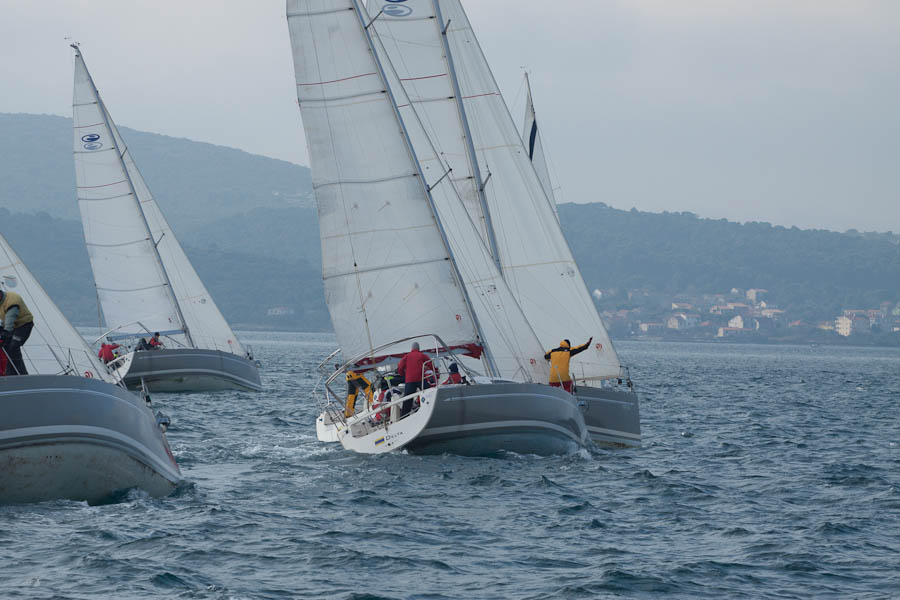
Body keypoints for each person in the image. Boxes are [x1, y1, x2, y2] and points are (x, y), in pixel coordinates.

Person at [0, 288, 35, 376]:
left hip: (24, 326)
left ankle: (22, 374)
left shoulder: (12, 300)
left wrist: (4, 334)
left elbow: (10, 318)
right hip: (12, 326)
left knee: (13, 347)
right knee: (6, 348)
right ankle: (11, 374)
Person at [397, 342, 435, 417]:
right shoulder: (422, 355)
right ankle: (432, 407)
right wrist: (434, 371)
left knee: (408, 399)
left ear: (411, 349)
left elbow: (400, 367)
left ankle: (404, 417)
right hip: (420, 379)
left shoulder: (407, 356)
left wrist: (403, 375)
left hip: (410, 380)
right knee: (429, 393)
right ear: (418, 348)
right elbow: (431, 364)